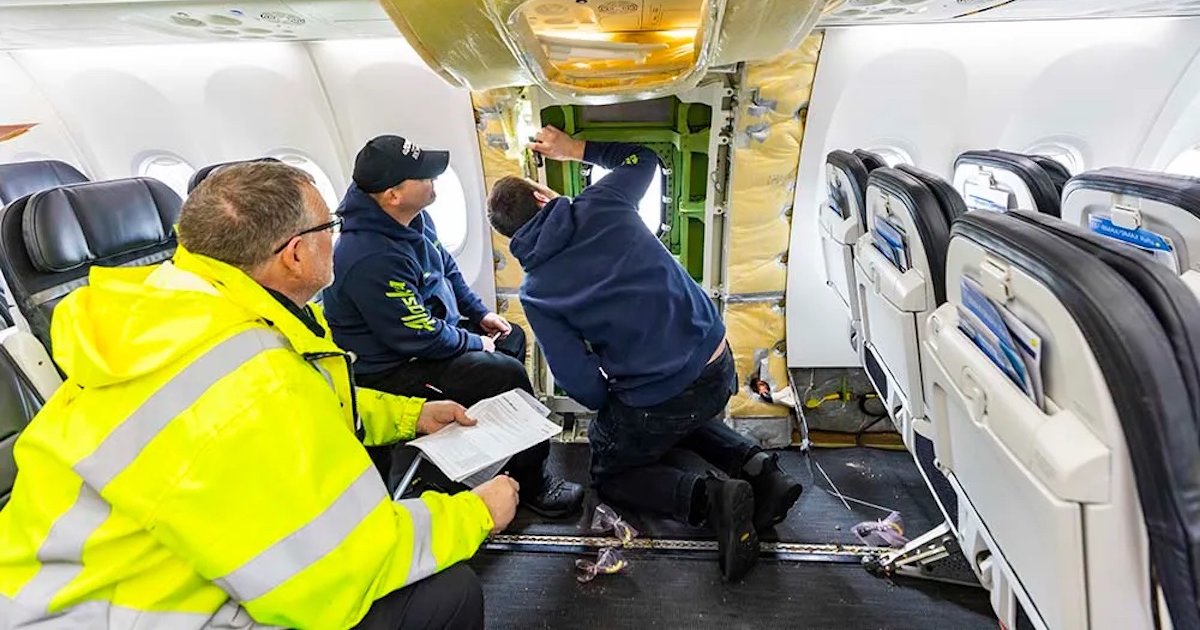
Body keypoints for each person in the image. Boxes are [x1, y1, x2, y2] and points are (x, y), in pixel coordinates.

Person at [0, 161, 520, 630]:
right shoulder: (249, 379)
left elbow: (312, 397)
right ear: (296, 254)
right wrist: (476, 513)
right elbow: (335, 572)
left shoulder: (177, 305)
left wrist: (412, 416)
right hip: (111, 611)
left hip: (96, 575)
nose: (337, 239)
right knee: (446, 596)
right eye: (329, 228)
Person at [486, 127, 805, 582]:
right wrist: (574, 150)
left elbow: (584, 389)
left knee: (610, 463)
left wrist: (615, 392)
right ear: (541, 197)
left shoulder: (536, 293)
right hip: (718, 361)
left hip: (666, 397)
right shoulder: (605, 200)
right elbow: (646, 158)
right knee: (666, 412)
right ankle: (761, 471)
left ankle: (710, 499)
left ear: (509, 239)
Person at [323, 135, 584, 518]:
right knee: (505, 374)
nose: (434, 179)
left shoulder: (414, 218)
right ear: (393, 194)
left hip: (425, 338)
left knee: (511, 338)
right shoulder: (368, 257)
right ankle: (533, 484)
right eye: (423, 175)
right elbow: (416, 336)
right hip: (393, 369)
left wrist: (480, 315)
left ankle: (493, 456)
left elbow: (446, 268)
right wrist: (474, 343)